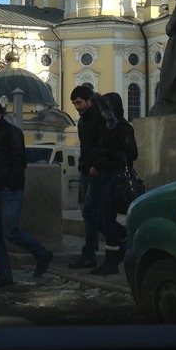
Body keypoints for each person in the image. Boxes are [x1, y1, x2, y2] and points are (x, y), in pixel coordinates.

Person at [0, 99, 53, 289]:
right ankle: (4, 276)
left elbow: (19, 161)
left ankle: (42, 254)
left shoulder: (13, 132)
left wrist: (11, 183)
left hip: (9, 190)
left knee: (10, 231)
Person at [89, 92, 136, 275]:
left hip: (116, 177)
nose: (100, 112)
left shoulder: (122, 128)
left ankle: (112, 260)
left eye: (103, 108)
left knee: (106, 217)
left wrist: (105, 158)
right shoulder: (107, 127)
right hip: (107, 175)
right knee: (102, 217)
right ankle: (120, 241)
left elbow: (131, 153)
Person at [68, 84, 105, 270]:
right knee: (91, 213)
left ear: (89, 100)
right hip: (86, 169)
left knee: (90, 211)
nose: (77, 107)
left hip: (96, 171)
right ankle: (92, 251)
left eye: (79, 103)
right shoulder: (82, 121)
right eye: (74, 104)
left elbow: (104, 144)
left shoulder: (100, 118)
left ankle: (90, 253)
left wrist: (96, 165)